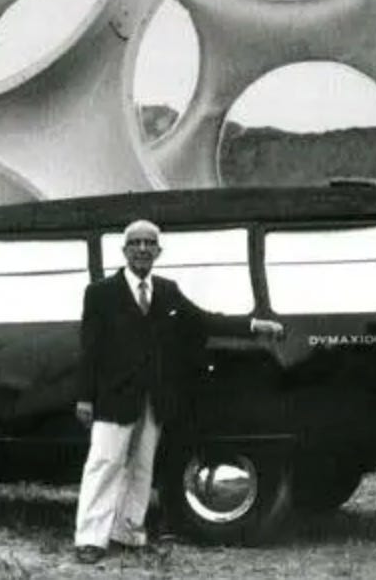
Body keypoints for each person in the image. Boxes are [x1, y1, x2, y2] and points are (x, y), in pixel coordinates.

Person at [73, 219, 284, 564]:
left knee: (142, 467)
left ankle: (128, 532)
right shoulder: (100, 293)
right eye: (136, 243)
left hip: (154, 399)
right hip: (114, 397)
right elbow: (89, 350)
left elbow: (204, 320)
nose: (143, 249)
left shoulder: (167, 291)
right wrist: (85, 397)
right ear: (124, 250)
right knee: (104, 464)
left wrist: (254, 325)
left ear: (158, 251)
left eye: (149, 243)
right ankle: (89, 540)